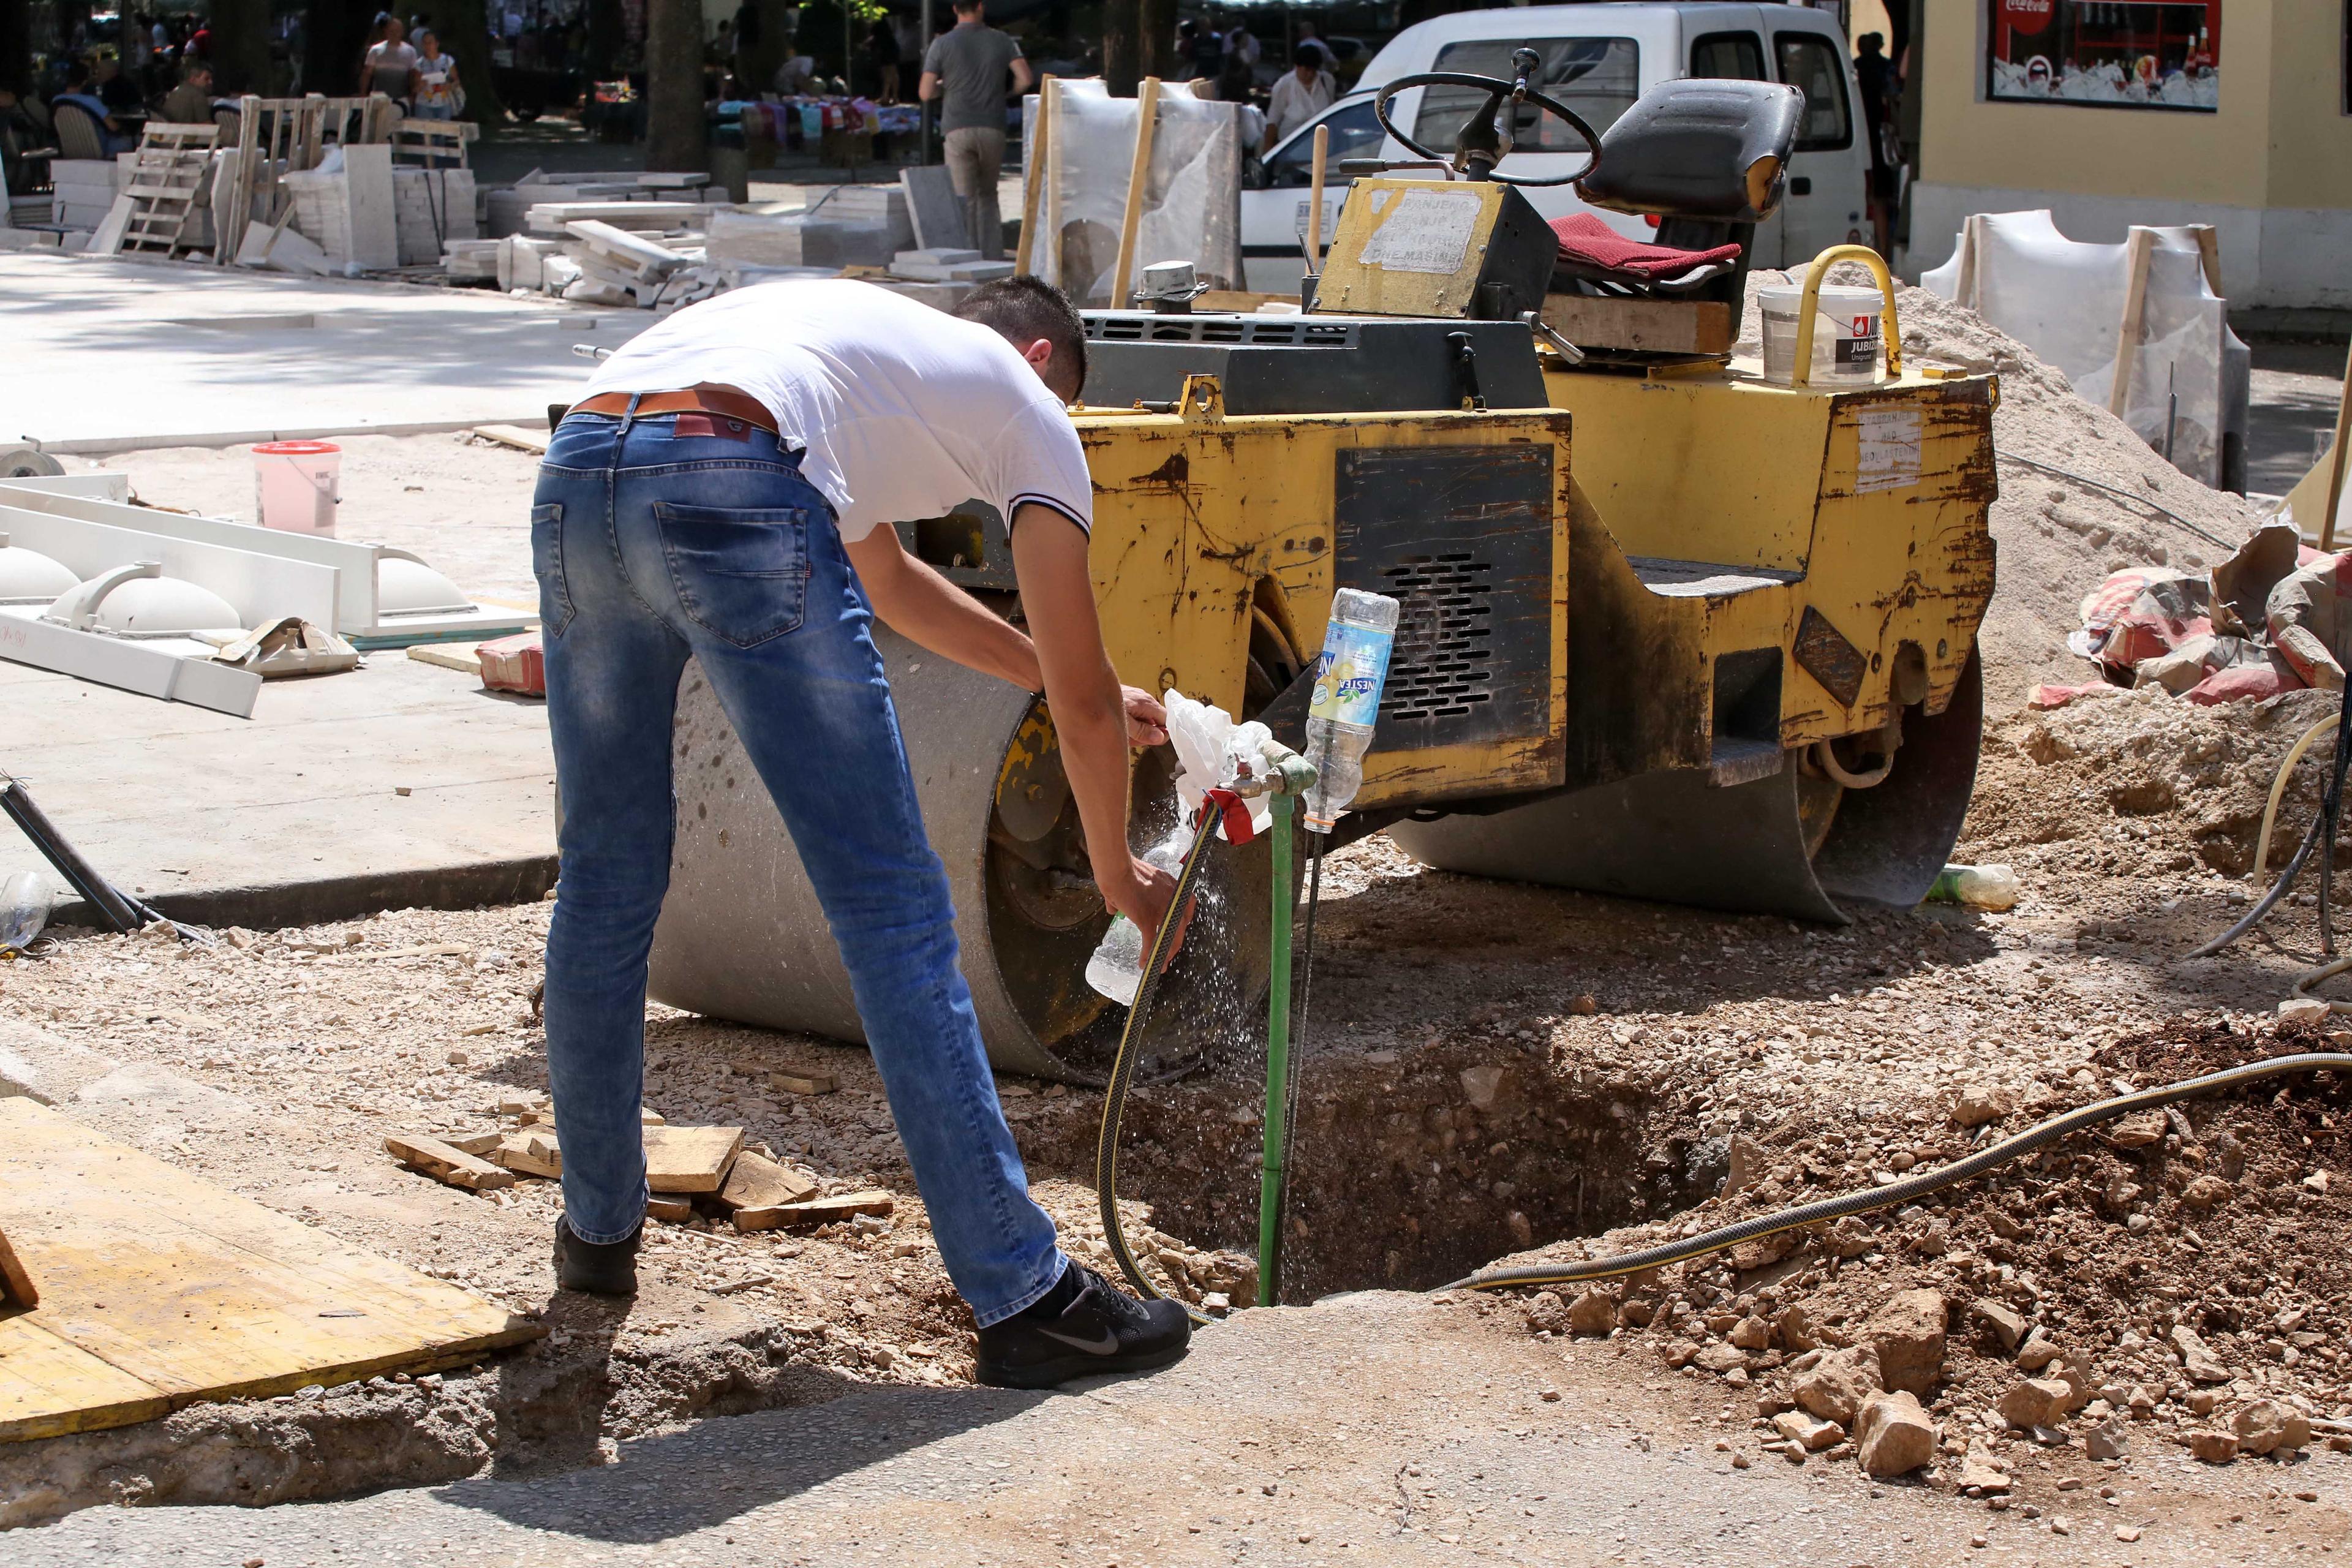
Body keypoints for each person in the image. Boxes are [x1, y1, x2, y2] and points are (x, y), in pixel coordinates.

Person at [535, 274, 1195, 1390]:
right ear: (1041, 361)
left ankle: (596, 1238)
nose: (1055, 434)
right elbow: (1083, 710)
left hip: (582, 466)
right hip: (729, 471)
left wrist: (1062, 676)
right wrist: (1118, 872)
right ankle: (1025, 1297)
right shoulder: (1028, 407)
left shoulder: (852, 358)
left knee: (606, 878)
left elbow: (890, 580)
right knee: (890, 908)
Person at [919, 0, 1033, 260]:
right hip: (993, 124)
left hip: (957, 127)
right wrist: (1008, 93)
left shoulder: (942, 44)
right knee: (988, 195)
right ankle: (993, 257)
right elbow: (1025, 78)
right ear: (981, 7)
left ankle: (968, 259)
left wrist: (945, 87)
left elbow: (925, 93)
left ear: (955, 10)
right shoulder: (1002, 40)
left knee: (964, 198)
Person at [1852, 31, 1897, 255]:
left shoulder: (1855, 68)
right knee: (1880, 198)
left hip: (1858, 134)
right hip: (1880, 137)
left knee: (1865, 196)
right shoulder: (1886, 69)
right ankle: (1883, 249)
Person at [1261, 42, 1333, 151]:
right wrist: (1267, 151)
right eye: (1305, 70)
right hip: (1290, 148)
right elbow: (1273, 120)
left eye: (1312, 71)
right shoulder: (1284, 85)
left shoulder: (1327, 81)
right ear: (1297, 67)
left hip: (1321, 147)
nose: (1309, 75)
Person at [52, 61, 134, 154]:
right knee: (138, 141)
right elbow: (113, 127)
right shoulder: (92, 101)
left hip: (70, 150)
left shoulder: (57, 100)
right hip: (99, 148)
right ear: (84, 82)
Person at [360, 14, 419, 107]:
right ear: (386, 31)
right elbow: (367, 74)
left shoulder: (411, 51)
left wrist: (412, 96)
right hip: (378, 99)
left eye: (397, 31)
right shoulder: (375, 50)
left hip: (402, 99)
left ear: (402, 32)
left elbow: (413, 75)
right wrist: (363, 94)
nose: (394, 33)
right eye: (391, 30)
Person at [412, 29, 461, 119]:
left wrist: (449, 86)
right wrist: (420, 85)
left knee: (444, 130)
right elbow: (415, 87)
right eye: (425, 43)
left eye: (430, 43)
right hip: (424, 104)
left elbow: (456, 81)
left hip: (444, 103)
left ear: (437, 44)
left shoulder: (447, 60)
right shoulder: (419, 64)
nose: (427, 46)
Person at [157, 59, 214, 125]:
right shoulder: (198, 95)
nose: (211, 82)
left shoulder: (175, 91)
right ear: (193, 79)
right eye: (206, 79)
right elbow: (207, 126)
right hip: (186, 133)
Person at [867, 17, 901, 104]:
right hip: (887, 46)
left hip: (887, 47)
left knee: (889, 71)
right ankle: (892, 96)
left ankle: (887, 96)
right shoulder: (883, 25)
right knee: (892, 72)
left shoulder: (877, 20)